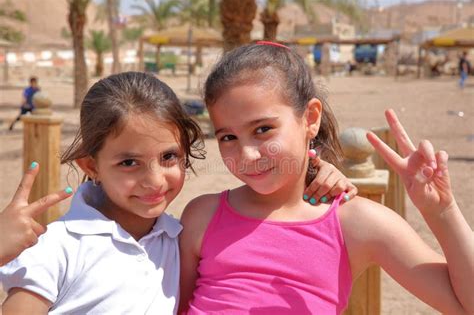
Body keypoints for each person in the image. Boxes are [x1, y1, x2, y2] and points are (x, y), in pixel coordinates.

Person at [0, 71, 356, 314]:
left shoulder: (178, 237)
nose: (154, 181)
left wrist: (315, 171)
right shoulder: (57, 246)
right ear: (91, 166)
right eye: (129, 163)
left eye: (169, 157)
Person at [179, 43, 474, 314]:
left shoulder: (355, 223)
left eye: (263, 129)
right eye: (228, 137)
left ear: (310, 118)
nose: (248, 155)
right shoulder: (202, 216)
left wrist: (442, 212)